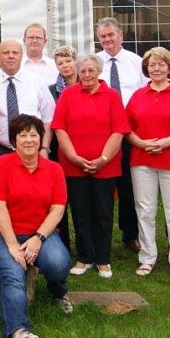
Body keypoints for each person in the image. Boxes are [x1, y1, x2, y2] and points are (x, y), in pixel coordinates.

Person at [0, 114, 71, 338]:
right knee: (13, 276)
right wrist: (13, 245)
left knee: (57, 264)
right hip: (4, 235)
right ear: (14, 141)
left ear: (41, 139)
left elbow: (57, 209)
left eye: (33, 134)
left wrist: (38, 238)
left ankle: (58, 293)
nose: (28, 140)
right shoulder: (3, 165)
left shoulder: (54, 169)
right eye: (22, 135)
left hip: (42, 233)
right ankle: (18, 330)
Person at [51, 53, 129, 280]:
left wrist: (103, 158)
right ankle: (84, 257)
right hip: (74, 166)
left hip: (106, 166)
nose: (86, 75)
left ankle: (103, 259)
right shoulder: (68, 94)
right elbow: (59, 128)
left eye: (91, 71)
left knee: (103, 213)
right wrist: (73, 157)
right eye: (82, 71)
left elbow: (119, 130)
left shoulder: (112, 96)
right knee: (81, 212)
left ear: (99, 72)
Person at [126, 47, 170, 280]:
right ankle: (147, 258)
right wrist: (141, 142)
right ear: (146, 69)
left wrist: (169, 141)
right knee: (145, 211)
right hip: (142, 160)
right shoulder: (138, 96)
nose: (156, 69)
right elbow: (126, 128)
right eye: (151, 65)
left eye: (161, 64)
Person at [95, 16, 147, 253]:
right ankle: (100, 231)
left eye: (110, 35)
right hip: (102, 133)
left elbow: (144, 94)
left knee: (129, 185)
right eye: (102, 37)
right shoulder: (94, 63)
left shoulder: (137, 62)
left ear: (120, 35)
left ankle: (130, 233)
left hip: (130, 132)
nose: (107, 40)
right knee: (103, 186)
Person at [0, 39, 54, 159]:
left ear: (21, 56)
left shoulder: (37, 82)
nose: (11, 56)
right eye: (6, 53)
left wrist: (44, 149)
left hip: (33, 150)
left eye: (15, 53)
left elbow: (48, 118)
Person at [46, 45, 78, 253]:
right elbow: (49, 121)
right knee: (59, 196)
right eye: (60, 63)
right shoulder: (52, 90)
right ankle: (62, 243)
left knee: (81, 198)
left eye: (68, 61)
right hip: (59, 146)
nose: (65, 66)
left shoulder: (88, 83)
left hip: (83, 142)